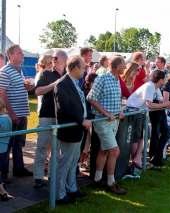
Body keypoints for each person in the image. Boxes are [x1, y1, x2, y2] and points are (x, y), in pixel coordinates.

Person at [54, 56, 92, 204]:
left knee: (72, 162)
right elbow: (65, 107)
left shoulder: (76, 83)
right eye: (83, 67)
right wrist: (81, 120)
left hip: (77, 129)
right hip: (69, 130)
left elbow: (80, 104)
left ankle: (72, 189)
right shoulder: (62, 84)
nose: (85, 70)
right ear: (75, 67)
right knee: (65, 163)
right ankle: (59, 194)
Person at [87, 56, 127, 195]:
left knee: (104, 151)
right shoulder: (102, 78)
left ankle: (97, 180)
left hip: (114, 121)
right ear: (116, 66)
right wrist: (106, 113)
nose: (125, 67)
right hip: (102, 122)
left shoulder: (117, 80)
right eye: (123, 65)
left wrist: (119, 112)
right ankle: (111, 182)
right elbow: (91, 98)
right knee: (114, 151)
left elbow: (115, 100)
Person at [127, 70, 170, 168]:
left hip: (141, 112)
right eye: (165, 78)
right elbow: (149, 104)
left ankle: (141, 159)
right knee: (137, 137)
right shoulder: (150, 86)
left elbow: (160, 102)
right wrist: (166, 104)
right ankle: (136, 162)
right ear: (161, 79)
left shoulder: (155, 87)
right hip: (134, 112)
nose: (167, 80)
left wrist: (169, 104)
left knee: (143, 136)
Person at [33, 51, 67, 188]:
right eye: (52, 57)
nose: (53, 59)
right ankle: (38, 177)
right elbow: (37, 91)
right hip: (47, 115)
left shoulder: (67, 76)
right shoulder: (46, 73)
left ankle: (53, 175)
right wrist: (54, 85)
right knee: (41, 146)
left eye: (56, 58)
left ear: (64, 60)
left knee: (57, 149)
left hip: (61, 117)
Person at [0, 45, 33, 181]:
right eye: (19, 53)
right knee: (7, 146)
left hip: (21, 114)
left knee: (19, 143)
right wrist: (12, 114)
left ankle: (19, 169)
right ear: (11, 55)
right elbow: (2, 93)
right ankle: (3, 175)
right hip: (12, 115)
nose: (22, 55)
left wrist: (28, 87)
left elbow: (17, 88)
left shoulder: (19, 70)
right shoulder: (5, 71)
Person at [0, 98, 14, 201]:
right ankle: (2, 189)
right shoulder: (7, 118)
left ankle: (3, 191)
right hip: (4, 150)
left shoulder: (1, 120)